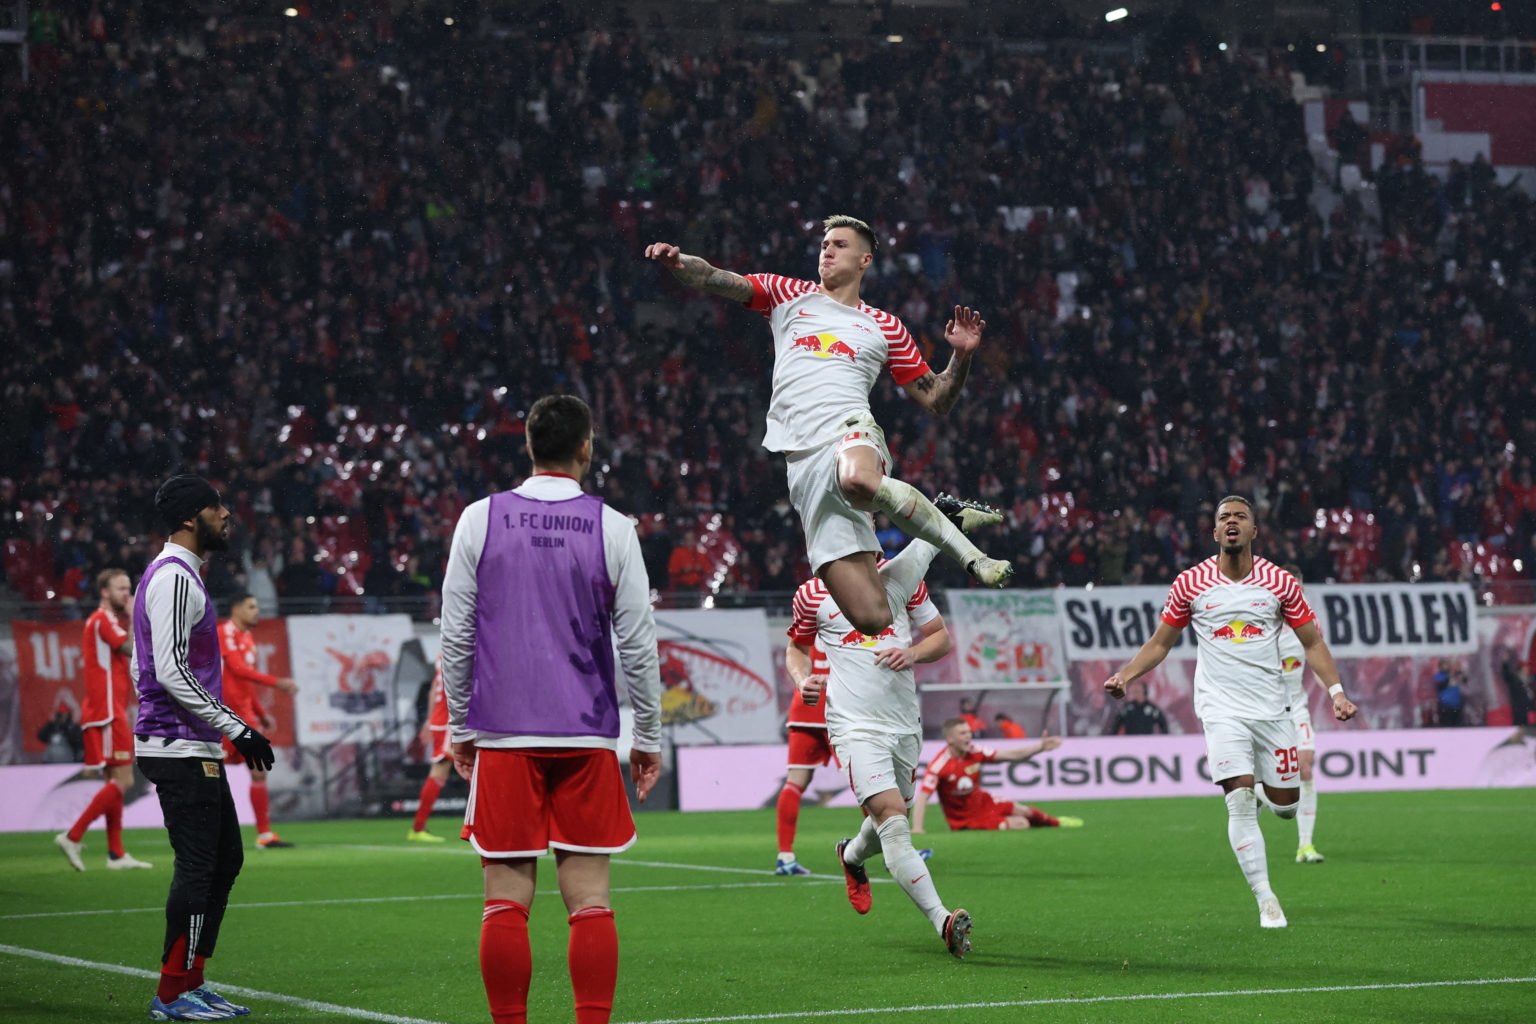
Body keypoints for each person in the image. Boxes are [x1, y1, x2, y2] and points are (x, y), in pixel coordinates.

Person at [643, 217, 1011, 646]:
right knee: (872, 618)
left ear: (864, 260)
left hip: (851, 431)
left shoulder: (885, 326)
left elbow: (937, 399)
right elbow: (717, 278)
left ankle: (974, 559)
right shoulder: (786, 294)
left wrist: (961, 357)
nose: (827, 251)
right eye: (823, 244)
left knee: (856, 478)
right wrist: (679, 262)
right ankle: (945, 522)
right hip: (802, 465)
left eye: (839, 245)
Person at [440, 394, 664, 1024]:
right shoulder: (614, 527)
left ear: (529, 447)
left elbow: (456, 634)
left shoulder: (478, 519)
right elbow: (638, 643)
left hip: (504, 733)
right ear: (586, 448)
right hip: (586, 734)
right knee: (590, 900)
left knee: (505, 902)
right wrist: (647, 735)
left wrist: (460, 726)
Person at [1103, 496, 1358, 929]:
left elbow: (1312, 642)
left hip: (1273, 711)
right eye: (1225, 518)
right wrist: (1127, 675)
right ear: (1215, 533)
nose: (1232, 522)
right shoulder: (1190, 583)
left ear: (1254, 531)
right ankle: (1266, 900)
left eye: (1241, 516)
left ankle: (1267, 794)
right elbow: (1161, 642)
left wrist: (1336, 692)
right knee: (1237, 800)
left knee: (1286, 807)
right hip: (1221, 710)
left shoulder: (1280, 583)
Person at [788, 538, 973, 958]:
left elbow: (940, 638)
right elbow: (796, 650)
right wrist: (803, 682)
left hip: (904, 724)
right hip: (853, 728)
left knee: (892, 814)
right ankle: (943, 920)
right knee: (892, 818)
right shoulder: (812, 592)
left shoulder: (901, 579)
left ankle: (851, 856)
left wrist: (911, 653)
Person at [133, 474, 275, 1020]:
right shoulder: (173, 578)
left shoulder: (176, 575)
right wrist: (236, 726)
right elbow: (167, 668)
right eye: (218, 509)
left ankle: (191, 981)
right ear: (192, 518)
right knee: (198, 865)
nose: (227, 517)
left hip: (188, 742)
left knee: (224, 859)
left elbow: (141, 663)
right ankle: (171, 993)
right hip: (179, 745)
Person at [54, 568, 154, 871]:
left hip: (107, 710)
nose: (127, 593)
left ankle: (116, 854)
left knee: (115, 781)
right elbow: (132, 650)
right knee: (123, 780)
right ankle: (73, 835)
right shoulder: (102, 620)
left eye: (128, 588)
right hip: (107, 712)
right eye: (121, 588)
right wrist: (137, 611)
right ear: (105, 592)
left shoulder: (107, 621)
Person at [218, 593, 300, 849]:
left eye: (257, 607)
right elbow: (237, 670)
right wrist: (278, 683)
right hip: (222, 716)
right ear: (236, 608)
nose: (256, 611)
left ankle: (264, 835)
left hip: (245, 716)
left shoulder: (247, 638)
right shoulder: (225, 633)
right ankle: (208, 833)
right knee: (211, 774)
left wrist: (261, 713)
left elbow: (245, 683)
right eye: (251, 607)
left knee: (258, 770)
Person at [912, 718, 1080, 833]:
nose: (968, 736)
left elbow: (1012, 755)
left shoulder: (974, 751)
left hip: (985, 802)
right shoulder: (940, 765)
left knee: (1025, 811)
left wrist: (1040, 747)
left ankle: (1057, 822)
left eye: (969, 732)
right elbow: (922, 797)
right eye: (963, 733)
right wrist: (917, 828)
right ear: (950, 739)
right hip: (966, 819)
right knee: (1022, 823)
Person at [406, 657, 453, 843]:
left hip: (441, 719)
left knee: (442, 772)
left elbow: (434, 690)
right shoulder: (463, 648)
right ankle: (418, 828)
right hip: (450, 720)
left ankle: (418, 827)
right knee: (468, 767)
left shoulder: (442, 655)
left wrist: (429, 720)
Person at [1103, 679, 1170, 735]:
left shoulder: (1152, 709)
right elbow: (1116, 723)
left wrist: (1164, 738)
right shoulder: (1127, 708)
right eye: (1134, 691)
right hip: (1130, 741)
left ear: (1144, 691)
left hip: (1147, 741)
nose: (1136, 693)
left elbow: (1163, 724)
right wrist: (1112, 737)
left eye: (1138, 691)